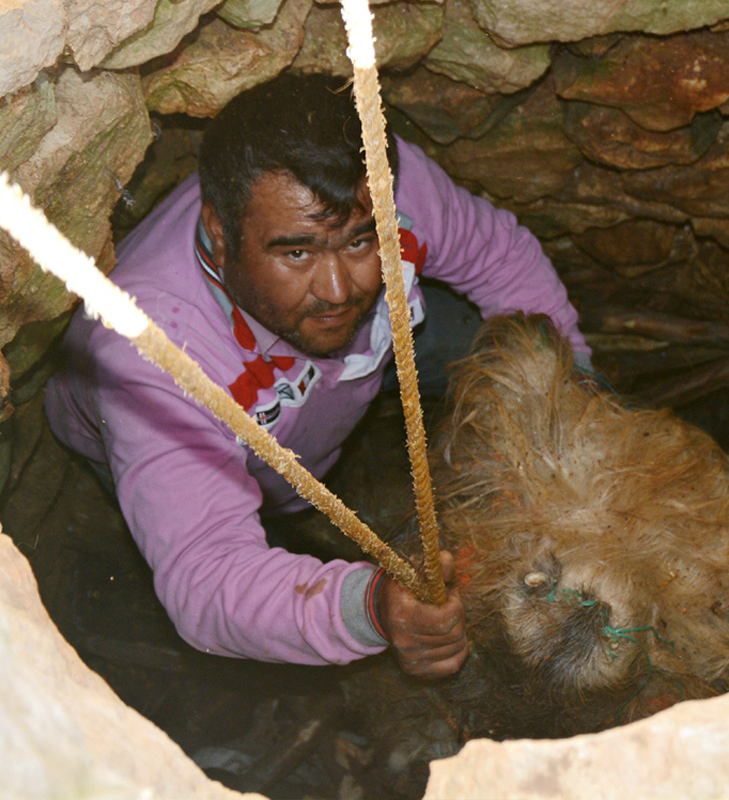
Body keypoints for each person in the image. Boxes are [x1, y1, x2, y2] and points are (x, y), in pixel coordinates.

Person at [44, 73, 590, 679]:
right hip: (195, 421)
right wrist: (371, 609)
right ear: (221, 237)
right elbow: (208, 572)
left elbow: (501, 258)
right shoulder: (149, 352)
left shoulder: (385, 183)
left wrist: (572, 394)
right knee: (225, 524)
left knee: (492, 343)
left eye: (360, 242)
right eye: (297, 253)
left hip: (341, 374)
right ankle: (285, 523)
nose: (338, 290)